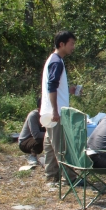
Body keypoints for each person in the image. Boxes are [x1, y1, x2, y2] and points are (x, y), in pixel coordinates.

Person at [40, 30, 77, 183]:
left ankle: (51, 177)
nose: (73, 47)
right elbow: (52, 87)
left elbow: (56, 87)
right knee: (61, 146)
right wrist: (56, 110)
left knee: (49, 144)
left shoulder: (53, 60)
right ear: (62, 44)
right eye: (71, 44)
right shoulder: (56, 62)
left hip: (49, 111)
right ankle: (70, 178)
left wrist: (68, 91)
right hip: (56, 113)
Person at [18, 98, 46, 166]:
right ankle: (32, 155)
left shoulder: (49, 116)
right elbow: (36, 134)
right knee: (42, 139)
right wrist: (51, 134)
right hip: (25, 141)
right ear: (39, 109)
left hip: (35, 138)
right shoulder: (33, 116)